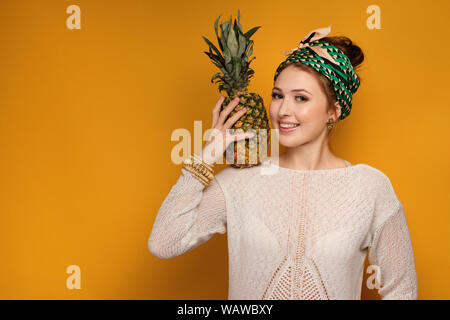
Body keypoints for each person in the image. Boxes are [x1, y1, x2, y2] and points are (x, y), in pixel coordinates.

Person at [147, 25, 418, 300]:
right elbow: (164, 242)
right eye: (278, 96)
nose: (283, 110)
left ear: (333, 111)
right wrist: (205, 157)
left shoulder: (370, 188)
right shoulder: (239, 181)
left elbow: (402, 290)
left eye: (301, 98)